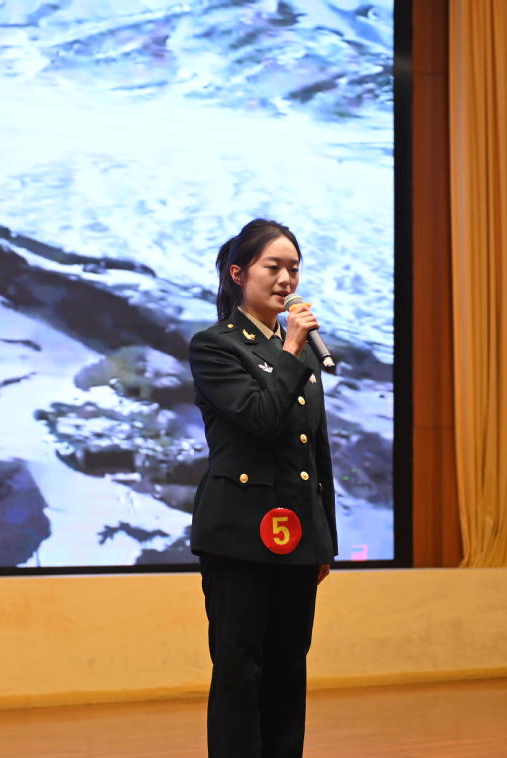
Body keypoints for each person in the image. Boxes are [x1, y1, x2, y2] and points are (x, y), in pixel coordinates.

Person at [189, 218, 338, 758]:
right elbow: (261, 419)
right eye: (273, 267)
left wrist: (324, 539)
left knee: (288, 670)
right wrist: (291, 347)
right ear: (238, 274)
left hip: (299, 539)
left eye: (293, 269)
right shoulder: (215, 346)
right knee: (240, 671)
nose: (286, 280)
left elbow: (315, 453)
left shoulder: (298, 353)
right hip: (238, 534)